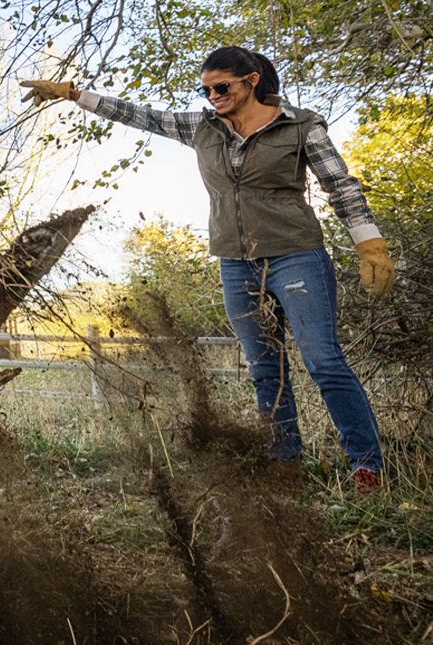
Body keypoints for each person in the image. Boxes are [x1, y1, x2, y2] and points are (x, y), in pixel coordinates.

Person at [21, 47, 393, 495]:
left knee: (324, 362)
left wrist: (368, 242)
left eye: (222, 87)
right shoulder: (203, 128)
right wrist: (74, 94)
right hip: (236, 264)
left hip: (296, 256)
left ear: (253, 81)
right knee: (264, 370)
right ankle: (283, 462)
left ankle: (366, 467)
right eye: (206, 89)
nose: (212, 95)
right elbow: (140, 115)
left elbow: (341, 185)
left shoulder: (300, 126)